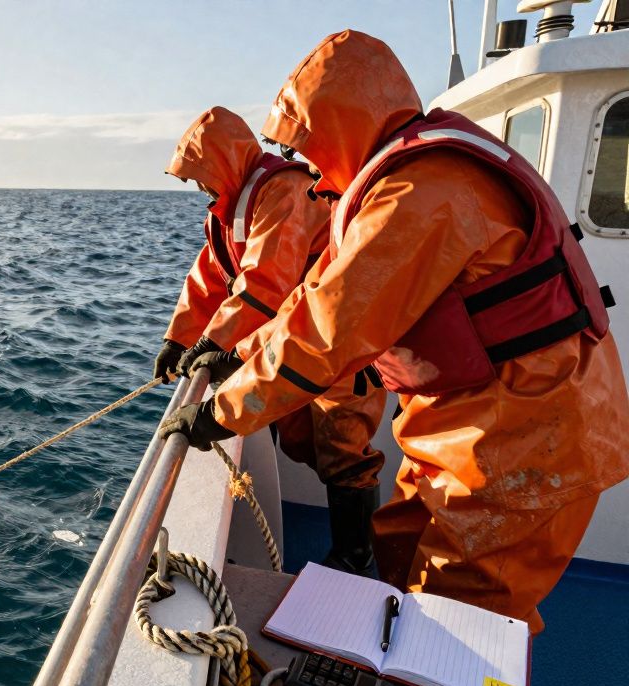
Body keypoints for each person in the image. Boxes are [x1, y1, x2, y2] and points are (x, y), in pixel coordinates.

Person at [161, 29, 629, 632]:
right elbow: (317, 295)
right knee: (402, 551)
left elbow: (331, 326)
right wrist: (238, 357)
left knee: (461, 615)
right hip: (463, 429)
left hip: (524, 440)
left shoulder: (421, 192)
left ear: (345, 131)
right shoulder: (401, 183)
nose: (316, 180)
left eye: (314, 152)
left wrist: (220, 413)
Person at [155, 106, 386, 574]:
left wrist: (215, 344)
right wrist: (179, 340)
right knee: (293, 432)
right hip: (285, 338)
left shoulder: (283, 189)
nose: (199, 188)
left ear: (224, 162)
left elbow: (265, 281)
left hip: (332, 335)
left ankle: (356, 555)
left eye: (202, 176)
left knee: (343, 441)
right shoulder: (228, 210)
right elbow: (209, 278)